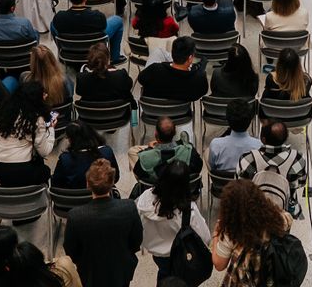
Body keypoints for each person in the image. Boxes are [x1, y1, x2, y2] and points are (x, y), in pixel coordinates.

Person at [64, 159, 143, 287]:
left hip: (90, 272)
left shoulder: (75, 216)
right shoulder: (129, 207)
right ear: (112, 183)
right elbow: (136, 241)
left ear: (88, 184)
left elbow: (71, 250)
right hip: (121, 269)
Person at [211, 179, 295, 283]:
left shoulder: (231, 232)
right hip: (273, 274)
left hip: (247, 281)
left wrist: (216, 235)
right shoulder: (275, 217)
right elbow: (288, 219)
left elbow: (219, 265)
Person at [136, 161, 210, 280]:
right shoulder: (188, 210)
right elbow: (205, 237)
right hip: (180, 255)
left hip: (158, 255)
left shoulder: (145, 198)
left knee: (164, 275)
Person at [235, 121, 309, 216]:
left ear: (263, 139)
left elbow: (238, 184)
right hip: (284, 212)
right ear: (285, 138)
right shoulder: (297, 159)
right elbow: (301, 183)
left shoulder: (247, 159)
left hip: (253, 213)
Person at [0, 81, 55, 187]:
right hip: (23, 171)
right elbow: (44, 151)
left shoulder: (7, 113)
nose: (46, 95)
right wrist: (51, 129)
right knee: (45, 170)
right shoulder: (37, 119)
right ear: (36, 99)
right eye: (43, 93)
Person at [52, 0, 125, 64]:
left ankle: (63, 49)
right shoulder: (97, 16)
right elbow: (103, 28)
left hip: (70, 50)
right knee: (118, 20)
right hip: (94, 48)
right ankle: (114, 58)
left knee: (52, 25)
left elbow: (54, 28)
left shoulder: (59, 18)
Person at [129, 116, 203, 185]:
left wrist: (150, 149)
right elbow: (198, 168)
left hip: (156, 191)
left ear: (156, 134)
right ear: (175, 132)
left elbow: (139, 175)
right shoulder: (189, 151)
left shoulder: (145, 157)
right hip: (183, 190)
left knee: (132, 151)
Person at [138, 37, 209, 103]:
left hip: (151, 110)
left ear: (172, 53)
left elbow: (141, 79)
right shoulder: (198, 79)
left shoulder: (154, 69)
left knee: (158, 51)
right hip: (181, 112)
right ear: (190, 58)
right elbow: (201, 93)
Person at [52, 121, 119, 190]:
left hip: (73, 195)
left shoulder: (65, 159)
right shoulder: (107, 152)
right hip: (102, 192)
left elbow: (56, 185)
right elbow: (115, 177)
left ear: (71, 139)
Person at [208, 100, 261, 172]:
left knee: (207, 152)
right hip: (248, 179)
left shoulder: (216, 144)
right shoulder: (259, 146)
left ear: (227, 119)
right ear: (250, 120)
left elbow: (212, 167)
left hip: (223, 179)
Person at [77, 43, 136, 107]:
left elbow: (79, 92)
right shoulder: (121, 76)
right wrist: (114, 72)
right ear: (108, 60)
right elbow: (129, 85)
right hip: (119, 112)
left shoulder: (82, 79)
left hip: (90, 112)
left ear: (90, 61)